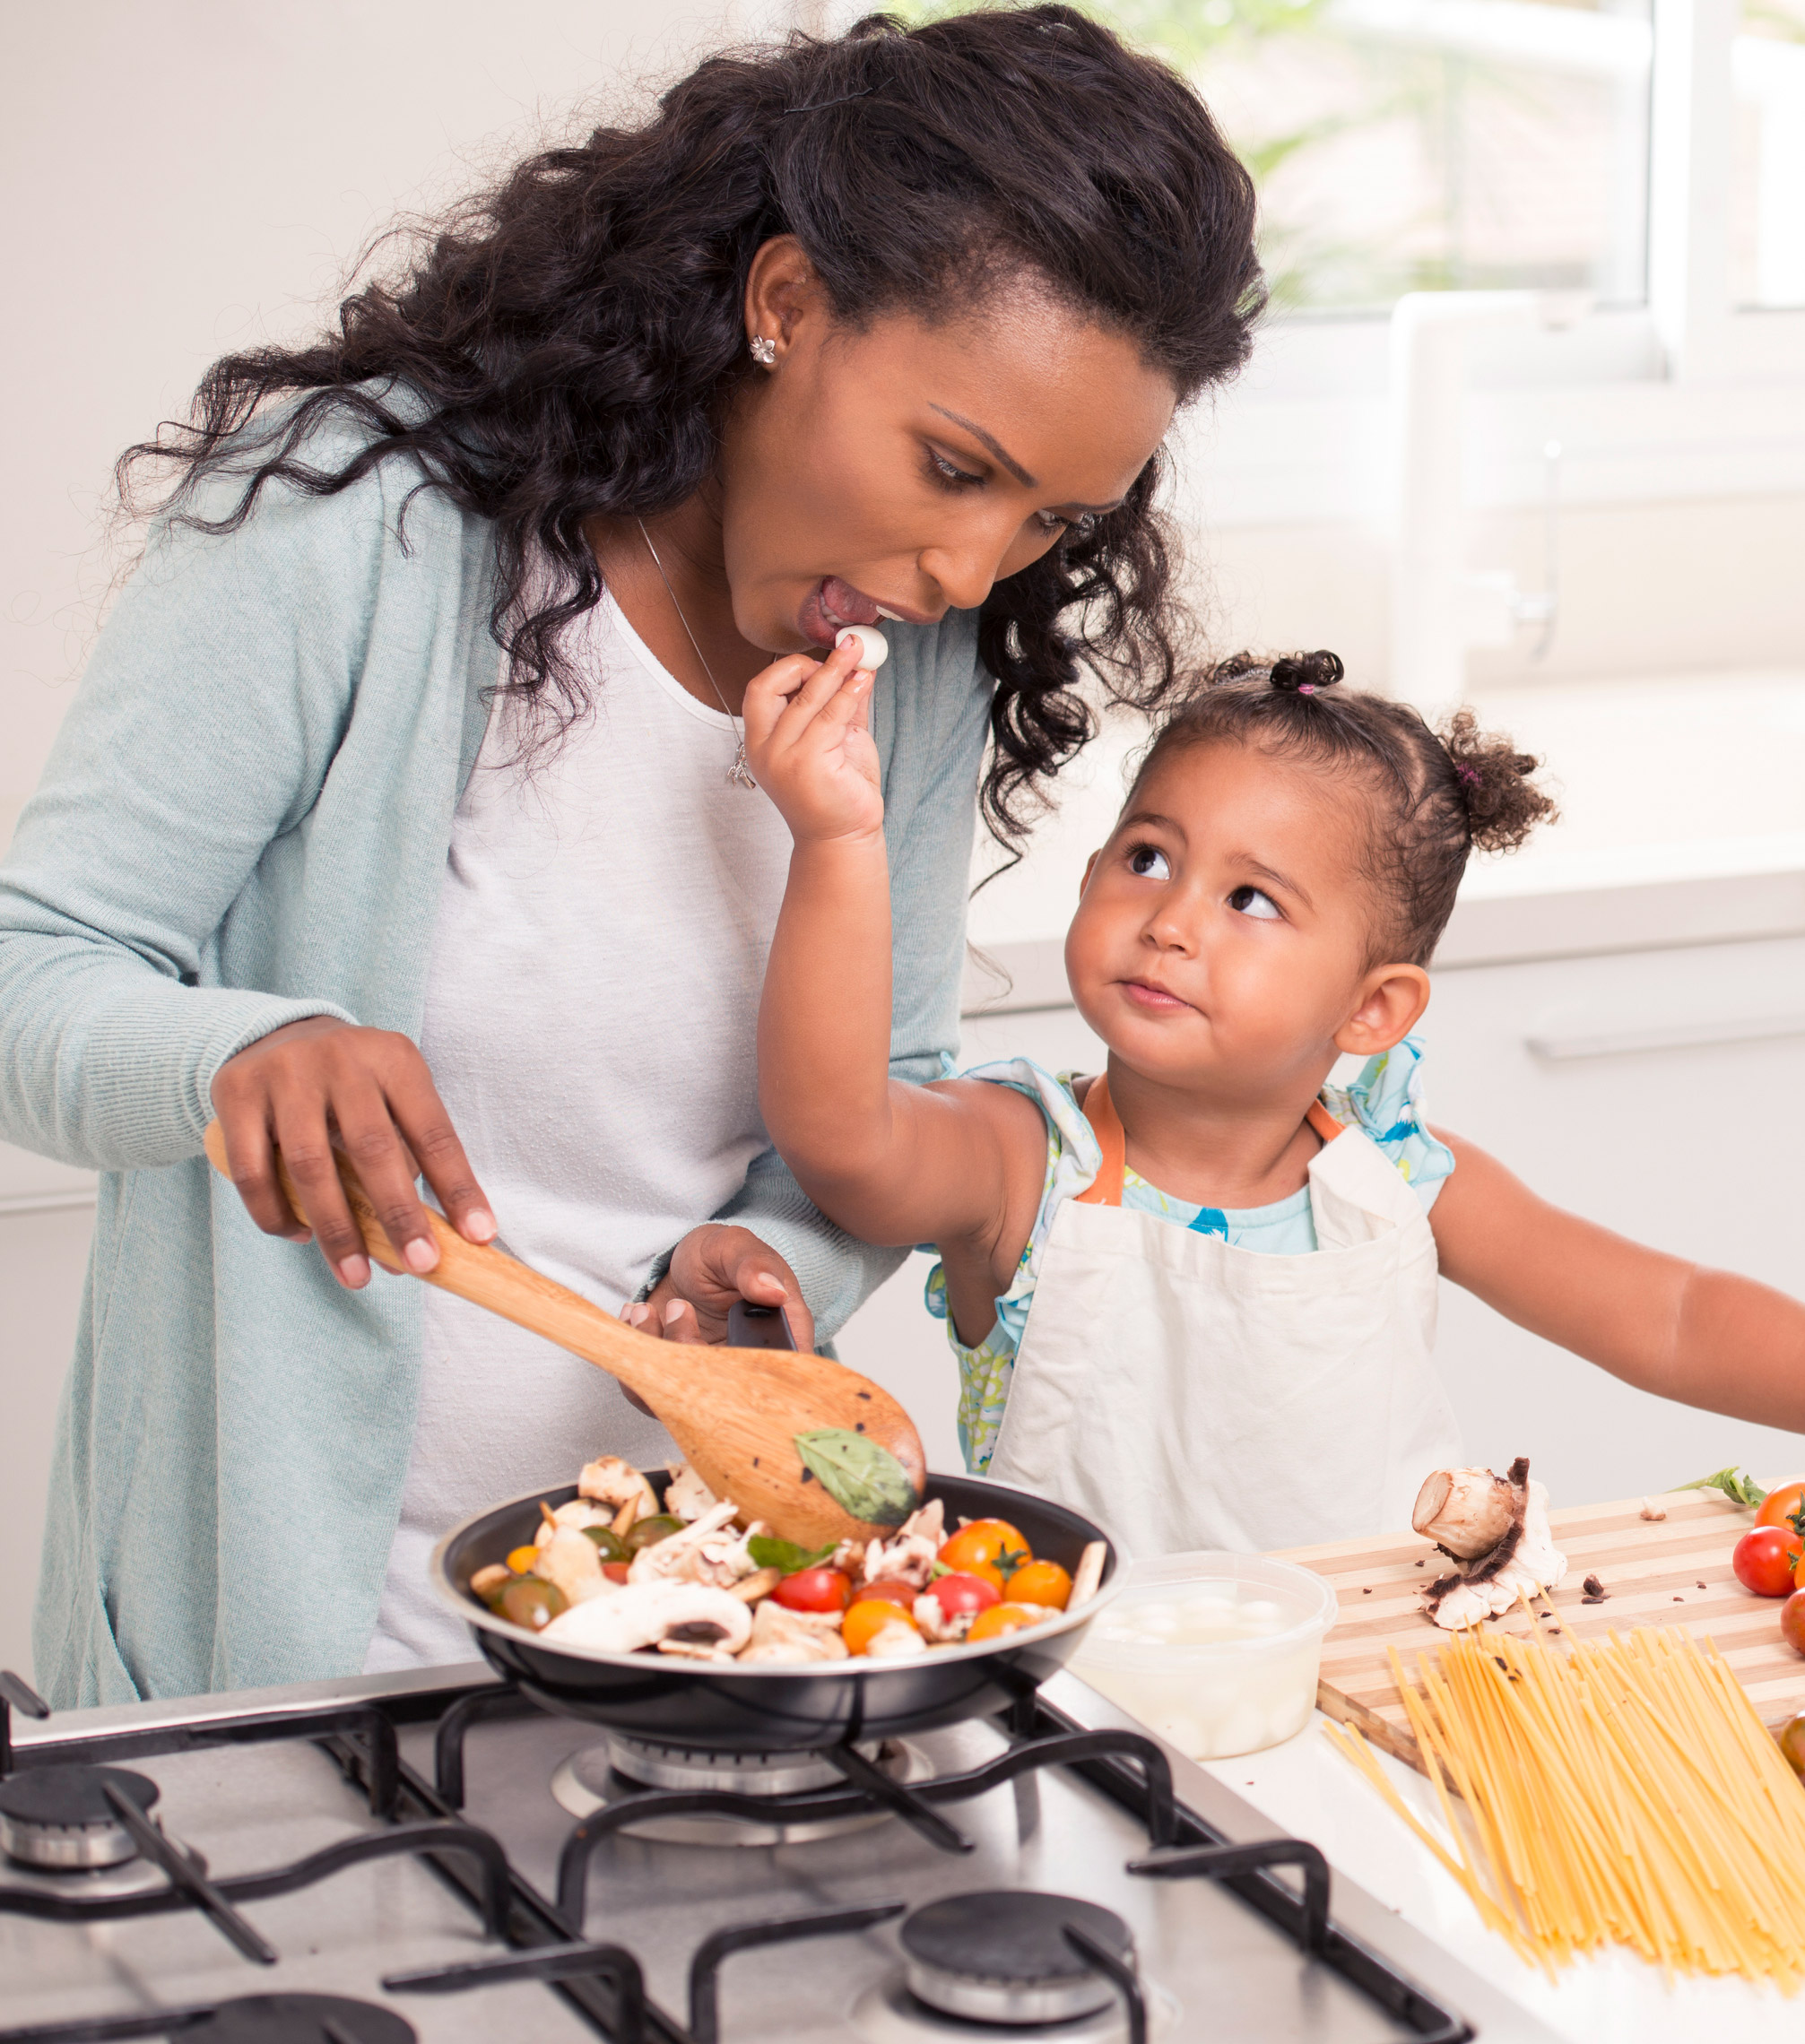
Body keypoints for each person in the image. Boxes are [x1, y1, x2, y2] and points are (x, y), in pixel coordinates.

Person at [0, 8, 1265, 1702]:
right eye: (951, 467)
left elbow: (871, 1096)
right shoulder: (356, 522)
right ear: (785, 304)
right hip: (284, 1662)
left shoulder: (913, 659)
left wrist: (775, 1265)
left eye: (1047, 520)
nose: (970, 567)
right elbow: (31, 971)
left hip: (675, 1632)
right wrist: (240, 1053)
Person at [744, 648, 1805, 1557]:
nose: (1170, 920)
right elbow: (842, 1137)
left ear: (1373, 1008)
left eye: (1250, 899)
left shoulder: (1400, 1176)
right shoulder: (1021, 1157)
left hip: (1373, 1707)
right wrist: (837, 845)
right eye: (1148, 857)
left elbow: (1670, 1317)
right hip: (1097, 1720)